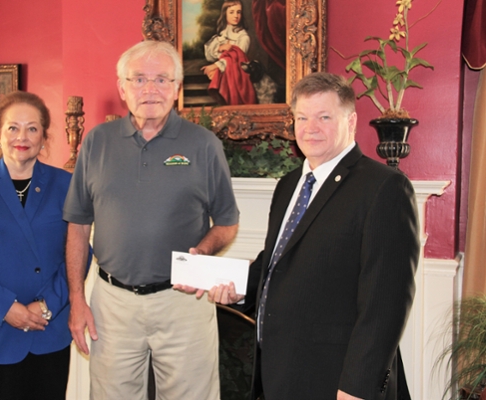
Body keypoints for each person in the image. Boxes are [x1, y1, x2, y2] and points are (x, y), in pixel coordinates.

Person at [207, 72, 420, 399]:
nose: (310, 127)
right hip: (278, 373)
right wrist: (238, 290)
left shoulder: (384, 188)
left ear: (351, 121)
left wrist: (356, 386)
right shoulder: (288, 185)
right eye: (302, 117)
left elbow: (386, 301)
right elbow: (279, 262)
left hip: (335, 380)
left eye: (324, 117)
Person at [63, 40, 239, 400]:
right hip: (112, 304)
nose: (150, 89)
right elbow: (78, 226)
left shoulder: (204, 145)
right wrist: (77, 299)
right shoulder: (96, 143)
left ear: (176, 88)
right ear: (122, 87)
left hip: (183, 303)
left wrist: (205, 250)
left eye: (161, 79)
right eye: (139, 79)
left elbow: (227, 222)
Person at [0, 91, 90, 400]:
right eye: (13, 127)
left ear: (44, 137)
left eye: (32, 128)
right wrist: (6, 307)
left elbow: (79, 252)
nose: (22, 136)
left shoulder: (66, 186)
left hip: (47, 333)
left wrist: (48, 305)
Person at [201, 0, 257, 105]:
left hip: (238, 78)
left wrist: (215, 66)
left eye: (238, 12)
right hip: (223, 76)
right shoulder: (221, 35)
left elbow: (236, 59)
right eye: (231, 12)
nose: (236, 16)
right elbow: (209, 55)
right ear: (224, 14)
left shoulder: (243, 37)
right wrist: (219, 48)